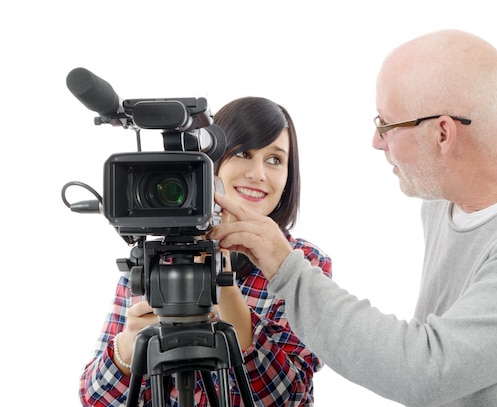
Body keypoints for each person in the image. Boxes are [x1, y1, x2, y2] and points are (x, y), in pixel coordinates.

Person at [209, 29, 497, 406]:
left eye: (387, 125)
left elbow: (425, 371)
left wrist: (287, 269)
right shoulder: (443, 201)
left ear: (442, 134)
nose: (375, 141)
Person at [79, 96, 333, 406]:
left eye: (275, 160)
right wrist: (130, 347)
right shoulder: (158, 256)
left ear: (288, 176)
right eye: (243, 153)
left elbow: (288, 398)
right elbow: (96, 399)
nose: (258, 174)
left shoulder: (301, 261)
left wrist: (220, 280)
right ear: (209, 161)